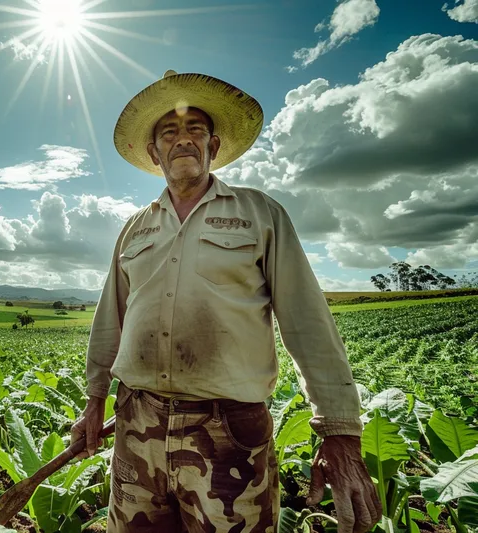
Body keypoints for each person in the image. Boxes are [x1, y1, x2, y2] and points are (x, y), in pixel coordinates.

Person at [70, 70, 382, 533]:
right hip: (138, 425)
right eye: (169, 133)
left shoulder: (261, 214)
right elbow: (110, 318)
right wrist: (95, 396)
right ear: (154, 153)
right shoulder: (136, 228)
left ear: (213, 147)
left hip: (229, 434)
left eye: (195, 130)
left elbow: (307, 323)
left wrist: (339, 430)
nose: (182, 141)